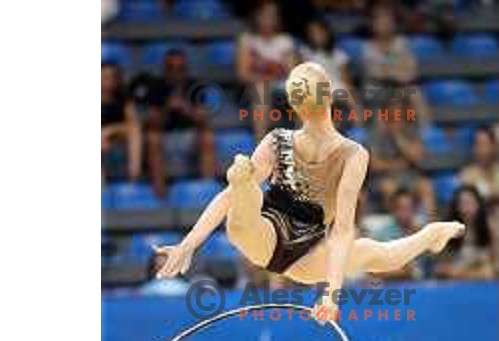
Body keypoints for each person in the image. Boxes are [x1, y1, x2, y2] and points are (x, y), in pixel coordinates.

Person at [154, 62, 464, 320]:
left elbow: (343, 230)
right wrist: (188, 244)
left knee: (376, 253)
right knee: (245, 196)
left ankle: (430, 235)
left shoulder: (352, 154)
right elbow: (228, 198)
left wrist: (331, 295)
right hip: (267, 232)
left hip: (308, 251)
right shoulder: (280, 140)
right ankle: (243, 179)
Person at [147, 49, 217, 198]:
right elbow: (152, 123)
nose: (176, 73)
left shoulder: (196, 86)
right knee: (152, 139)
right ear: (165, 69)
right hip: (164, 137)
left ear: (186, 68)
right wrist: (167, 108)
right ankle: (160, 196)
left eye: (180, 68)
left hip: (189, 137)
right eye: (171, 68)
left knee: (207, 137)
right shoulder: (156, 86)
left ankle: (208, 189)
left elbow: (203, 120)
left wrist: (186, 109)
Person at [236, 1, 296, 138]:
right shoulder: (247, 40)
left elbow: (293, 73)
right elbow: (243, 74)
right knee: (261, 88)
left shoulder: (285, 40)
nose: (269, 19)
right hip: (252, 90)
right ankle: (260, 145)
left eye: (273, 15)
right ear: (256, 16)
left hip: (282, 90)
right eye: (265, 14)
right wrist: (268, 77)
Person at [434, 185, 495, 280]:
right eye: (462, 203)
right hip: (455, 286)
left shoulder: (491, 228)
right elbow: (439, 269)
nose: (467, 208)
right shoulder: (446, 231)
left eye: (470, 203)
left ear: (479, 204)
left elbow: (494, 268)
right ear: (456, 207)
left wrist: (468, 273)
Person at [101, 63, 142, 181]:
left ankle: (134, 176)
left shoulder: (123, 99)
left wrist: (108, 131)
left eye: (110, 77)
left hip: (116, 139)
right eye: (103, 77)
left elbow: (133, 124)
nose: (106, 81)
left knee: (134, 131)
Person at [459, 127, 499, 203]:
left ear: (494, 147)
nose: (481, 150)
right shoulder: (466, 174)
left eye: (484, 144)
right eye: (477, 145)